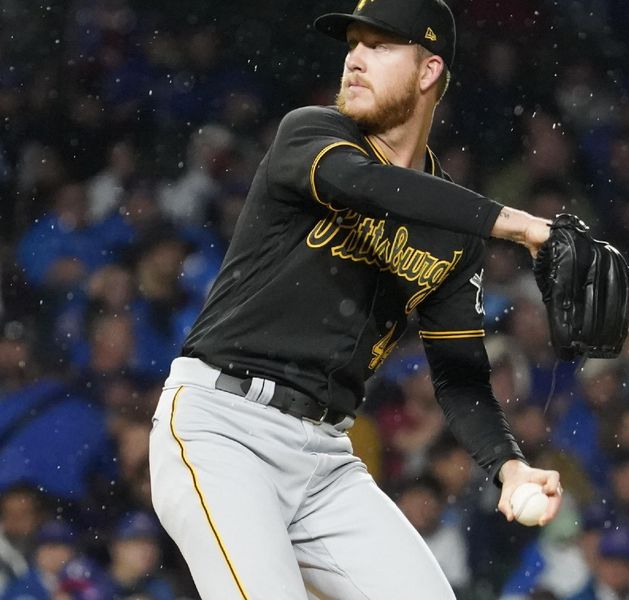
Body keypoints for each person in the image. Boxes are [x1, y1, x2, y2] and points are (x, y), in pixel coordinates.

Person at [148, 1, 562, 598]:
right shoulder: (312, 132)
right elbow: (370, 186)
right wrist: (523, 226)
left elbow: (461, 380)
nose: (356, 60)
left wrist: (508, 464)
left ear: (428, 72)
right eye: (353, 45)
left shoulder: (454, 225)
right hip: (223, 429)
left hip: (324, 457)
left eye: (380, 45)